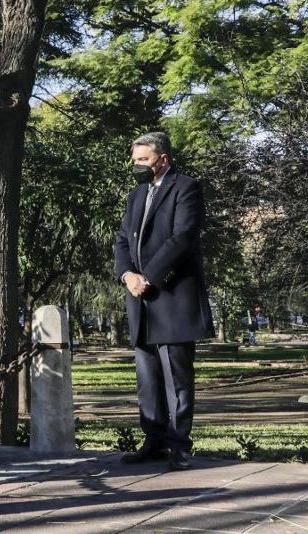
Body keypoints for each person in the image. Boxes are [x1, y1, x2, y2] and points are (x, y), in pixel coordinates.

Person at [113, 131, 213, 471]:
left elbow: (182, 238)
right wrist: (128, 275)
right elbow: (123, 239)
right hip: (139, 300)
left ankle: (179, 447)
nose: (136, 166)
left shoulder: (186, 188)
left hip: (171, 299)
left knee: (177, 380)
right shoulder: (135, 194)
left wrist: (148, 277)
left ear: (163, 160)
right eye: (135, 160)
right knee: (148, 379)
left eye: (143, 160)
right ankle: (152, 441)